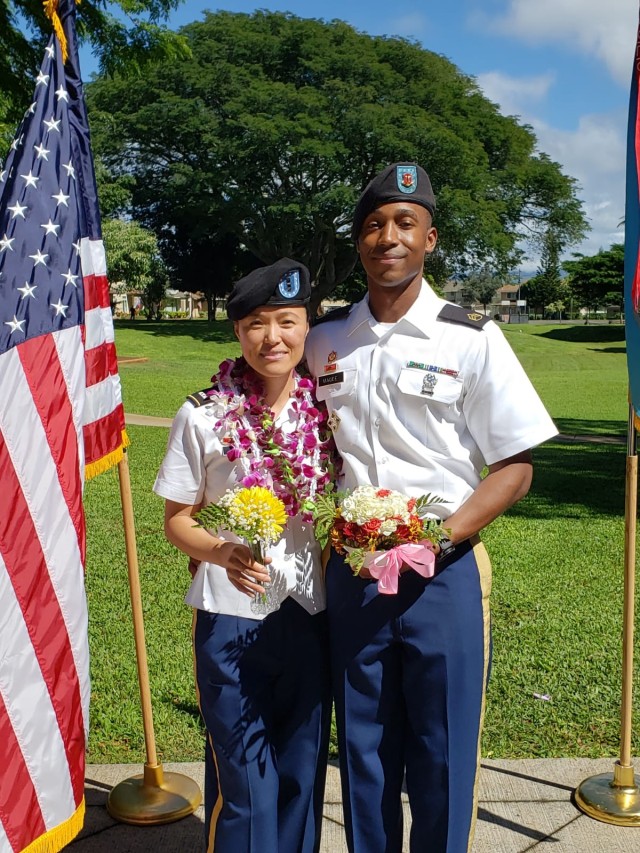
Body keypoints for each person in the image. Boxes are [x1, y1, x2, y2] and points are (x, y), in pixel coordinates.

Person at [305, 163, 558, 853]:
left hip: (443, 575)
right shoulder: (324, 341)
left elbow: (515, 467)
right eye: (373, 225)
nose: (387, 236)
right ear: (360, 242)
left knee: (443, 752)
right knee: (362, 748)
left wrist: (438, 537)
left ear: (430, 238)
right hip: (353, 573)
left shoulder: (472, 339)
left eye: (404, 223)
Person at [154, 258, 334, 853]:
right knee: (245, 780)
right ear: (237, 332)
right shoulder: (202, 414)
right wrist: (222, 552)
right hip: (229, 618)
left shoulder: (329, 415)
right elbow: (177, 520)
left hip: (308, 613)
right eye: (256, 322)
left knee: (301, 772)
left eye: (287, 320)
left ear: (309, 327)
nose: (272, 337)